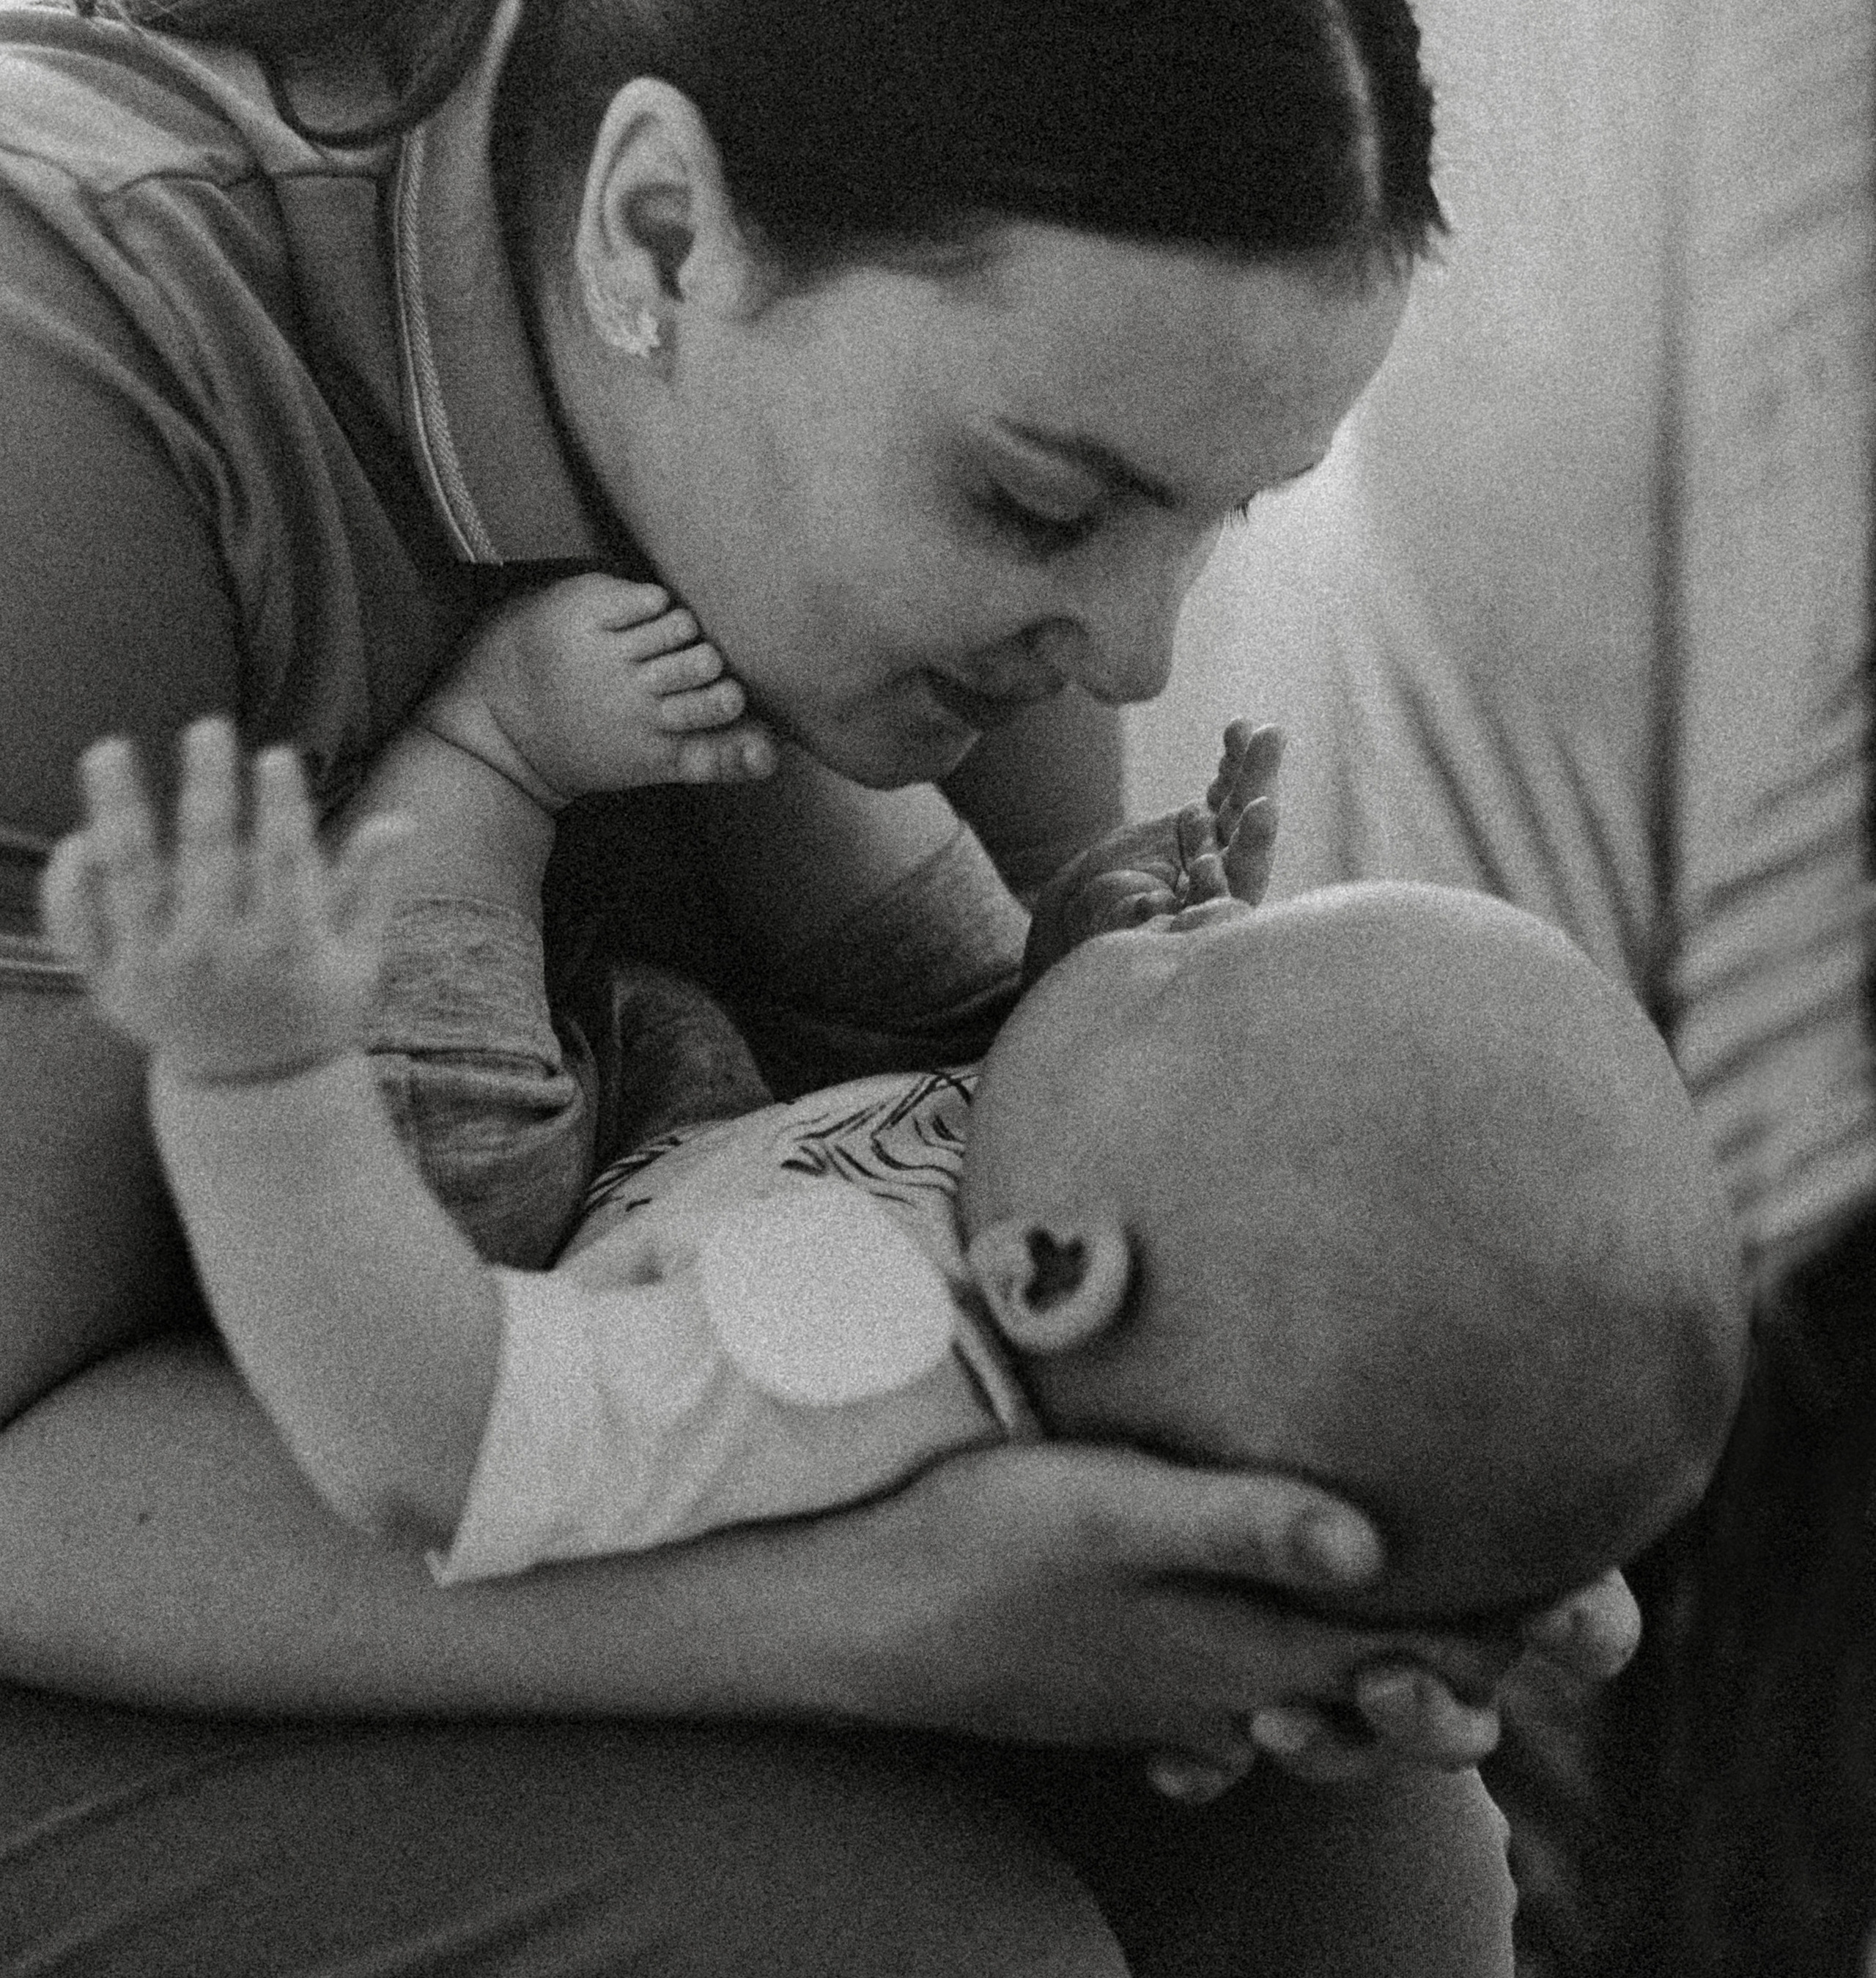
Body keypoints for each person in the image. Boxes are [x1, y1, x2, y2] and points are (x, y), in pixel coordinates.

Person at [0, 0, 1644, 1978]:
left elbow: (1020, 1161)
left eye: (1223, 518)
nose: (1133, 642)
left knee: (1369, 1903)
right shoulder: (70, 414)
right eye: (1048, 501)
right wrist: (861, 1605)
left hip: (395, 1458)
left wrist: (1376, 1504)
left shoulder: (889, 265)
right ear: (658, 231)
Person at [43, 582, 1745, 1630]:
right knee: (974, 999)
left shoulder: (850, 1357)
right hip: (749, 1103)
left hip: (467, 1239)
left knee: (463, 1149)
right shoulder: (1092, 1242)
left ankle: (493, 745)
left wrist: (253, 1073)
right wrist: (1086, 960)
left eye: (1185, 976)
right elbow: (1032, 1074)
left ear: (1051, 1269)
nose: (1184, 920)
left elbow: (426, 1438)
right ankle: (756, 692)